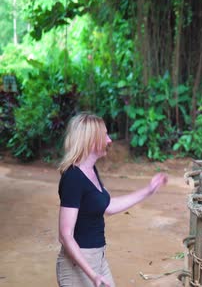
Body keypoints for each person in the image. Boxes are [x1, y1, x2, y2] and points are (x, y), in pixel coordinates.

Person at [56, 112, 168, 287]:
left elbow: (108, 207)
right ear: (91, 140)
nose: (109, 140)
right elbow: (65, 235)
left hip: (98, 259)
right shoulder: (73, 178)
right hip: (78, 264)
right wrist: (93, 275)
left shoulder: (91, 171)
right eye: (105, 135)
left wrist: (148, 190)